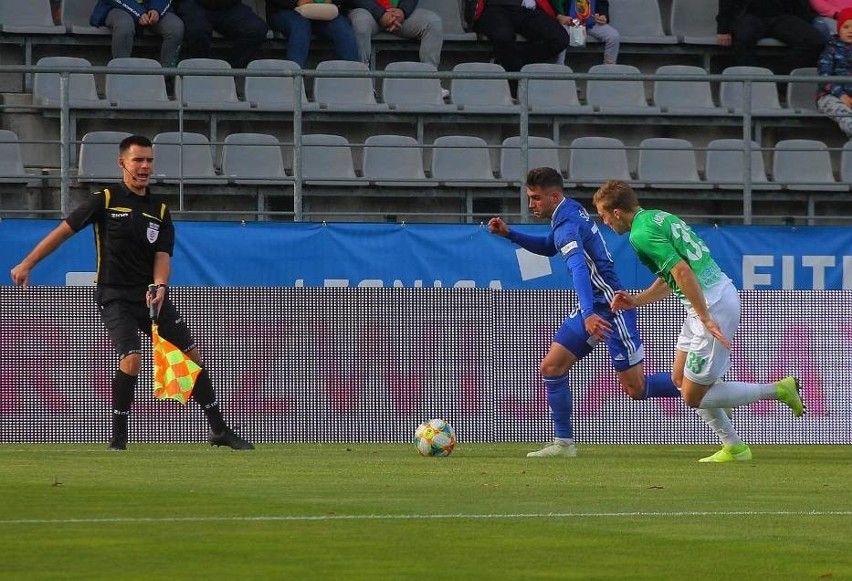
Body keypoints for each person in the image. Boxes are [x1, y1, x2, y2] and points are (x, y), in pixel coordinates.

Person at [9, 135, 254, 452]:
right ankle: (119, 439)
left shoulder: (160, 209)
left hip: (150, 296)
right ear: (122, 162)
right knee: (132, 359)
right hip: (115, 296)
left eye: (149, 160)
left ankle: (219, 430)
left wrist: (160, 285)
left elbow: (162, 257)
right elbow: (63, 232)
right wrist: (27, 263)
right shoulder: (106, 200)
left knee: (192, 357)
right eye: (138, 160)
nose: (145, 166)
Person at [592, 180, 805, 463]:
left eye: (603, 215)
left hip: (711, 305)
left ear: (617, 212)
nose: (604, 221)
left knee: (693, 396)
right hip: (706, 303)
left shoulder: (639, 235)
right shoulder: (659, 217)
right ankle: (734, 447)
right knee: (679, 378)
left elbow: (681, 273)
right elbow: (676, 274)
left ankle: (779, 389)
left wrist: (705, 317)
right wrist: (637, 300)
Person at [488, 167, 683, 458]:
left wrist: (590, 313)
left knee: (636, 389)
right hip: (592, 307)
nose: (531, 204)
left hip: (612, 308)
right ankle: (564, 444)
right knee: (551, 367)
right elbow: (549, 246)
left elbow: (579, 268)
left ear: (554, 196)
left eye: (536, 198)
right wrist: (510, 234)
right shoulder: (568, 212)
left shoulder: (566, 223)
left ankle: (705, 388)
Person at [466, 0, 570, 97]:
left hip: (525, 7)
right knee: (503, 36)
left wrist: (557, 14)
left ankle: (507, 58)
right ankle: (515, 82)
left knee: (560, 39)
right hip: (493, 7)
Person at [716, 0, 826, 71]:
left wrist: (806, 20)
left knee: (814, 40)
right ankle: (751, 81)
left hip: (781, 16)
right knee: (745, 36)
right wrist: (723, 28)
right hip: (748, 15)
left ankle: (780, 79)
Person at [348, 0, 444, 71]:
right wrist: (380, 14)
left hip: (398, 16)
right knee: (360, 23)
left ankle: (430, 77)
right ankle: (361, 78)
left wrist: (402, 11)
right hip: (368, 13)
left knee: (433, 22)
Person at [172, 0, 268, 70]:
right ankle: (201, 71)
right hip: (193, 4)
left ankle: (228, 72)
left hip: (228, 7)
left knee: (257, 29)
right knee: (197, 30)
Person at [90, 0, 184, 69]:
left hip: (151, 7)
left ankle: (165, 78)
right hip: (117, 7)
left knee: (176, 28)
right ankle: (121, 75)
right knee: (124, 26)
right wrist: (138, 12)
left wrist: (156, 10)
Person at [267, 0, 359, 68]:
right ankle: (294, 83)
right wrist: (297, 2)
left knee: (342, 29)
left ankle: (353, 83)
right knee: (301, 25)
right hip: (286, 10)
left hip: (324, 11)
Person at [817, 7, 852, 137]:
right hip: (831, 96)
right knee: (844, 114)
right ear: (839, 29)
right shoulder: (831, 49)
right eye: (846, 27)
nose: (851, 31)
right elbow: (824, 76)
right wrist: (841, 95)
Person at [554, 0, 620, 64]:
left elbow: (603, 3)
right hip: (568, 22)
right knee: (560, 35)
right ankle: (559, 66)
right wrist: (558, 16)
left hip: (592, 23)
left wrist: (603, 16)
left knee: (613, 36)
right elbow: (553, 5)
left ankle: (609, 67)